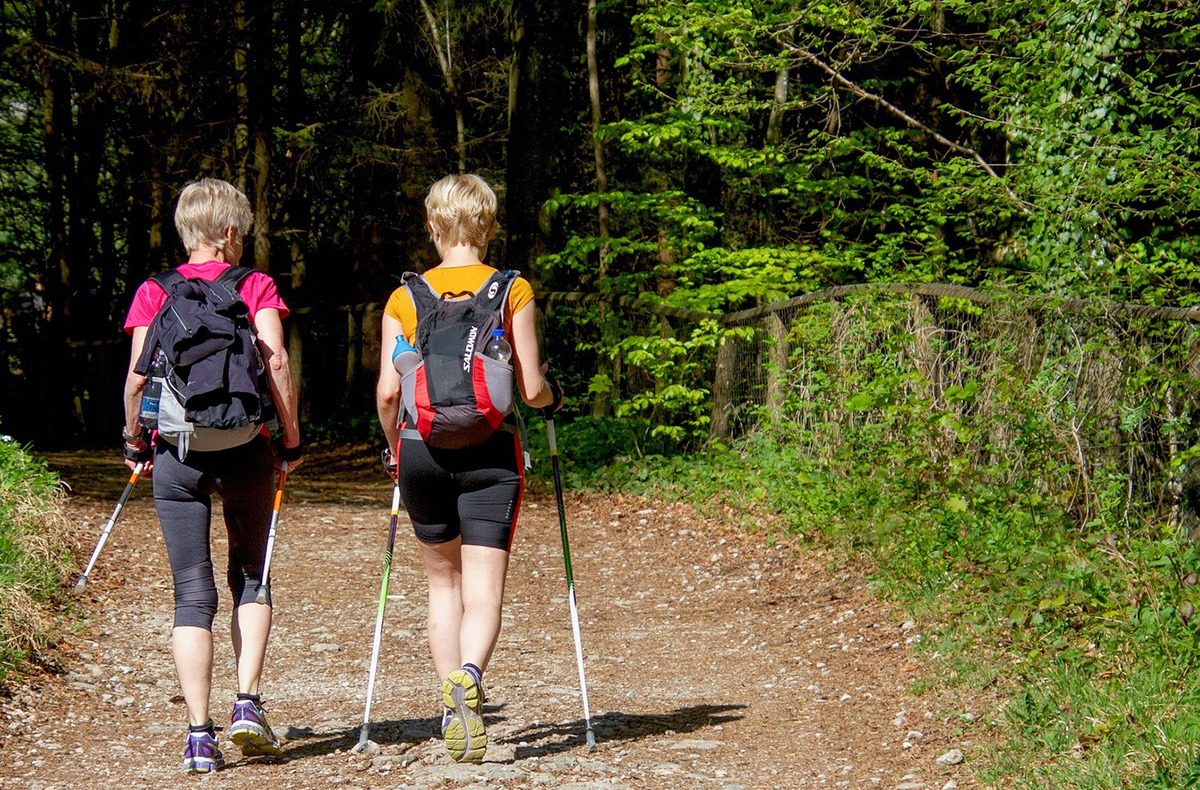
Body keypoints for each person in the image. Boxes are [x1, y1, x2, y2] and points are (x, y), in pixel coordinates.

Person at [375, 173, 562, 764]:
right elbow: (530, 389)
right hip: (490, 452)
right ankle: (471, 675)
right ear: (488, 226)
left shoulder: (404, 298)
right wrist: (553, 396)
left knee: (442, 584)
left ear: (432, 227)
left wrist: (392, 450)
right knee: (484, 591)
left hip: (420, 450)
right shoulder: (513, 289)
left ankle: (453, 710)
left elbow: (387, 392)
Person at [121, 178, 304, 774]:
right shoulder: (255, 286)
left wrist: (134, 439)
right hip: (246, 448)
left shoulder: (155, 291)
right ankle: (247, 703)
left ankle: (199, 736)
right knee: (251, 573)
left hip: (177, 455)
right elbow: (275, 362)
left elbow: (137, 380)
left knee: (191, 592)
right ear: (230, 233)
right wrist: (291, 439)